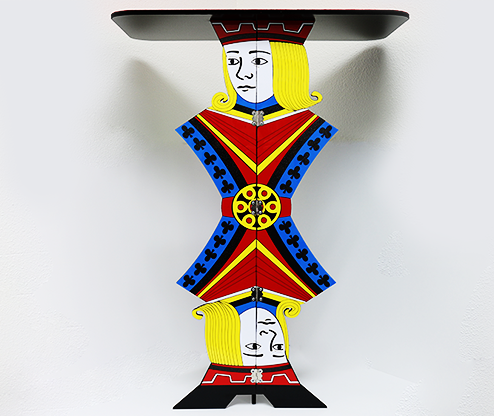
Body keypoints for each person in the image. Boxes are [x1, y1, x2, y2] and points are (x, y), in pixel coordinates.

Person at [174, 16, 337, 409]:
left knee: (272, 292)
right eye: (234, 62)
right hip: (241, 232)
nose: (244, 74)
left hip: (269, 231)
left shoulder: (304, 127)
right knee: (225, 295)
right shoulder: (213, 126)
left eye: (259, 61)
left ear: (288, 66)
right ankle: (230, 366)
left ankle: (274, 368)